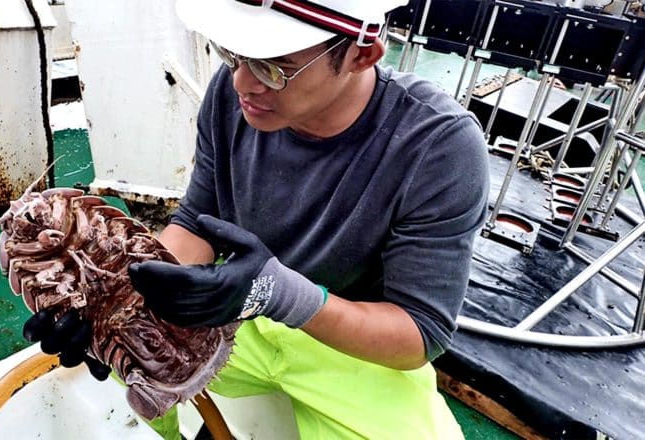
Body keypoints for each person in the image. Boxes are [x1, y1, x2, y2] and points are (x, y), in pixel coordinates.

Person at [29, 0, 490, 438]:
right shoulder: (236, 98)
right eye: (233, 55)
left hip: (351, 341)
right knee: (119, 360)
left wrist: (281, 294)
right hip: (237, 311)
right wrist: (118, 299)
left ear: (361, 53)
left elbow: (418, 332)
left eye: (273, 67)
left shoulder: (438, 146)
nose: (241, 84)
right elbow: (197, 219)